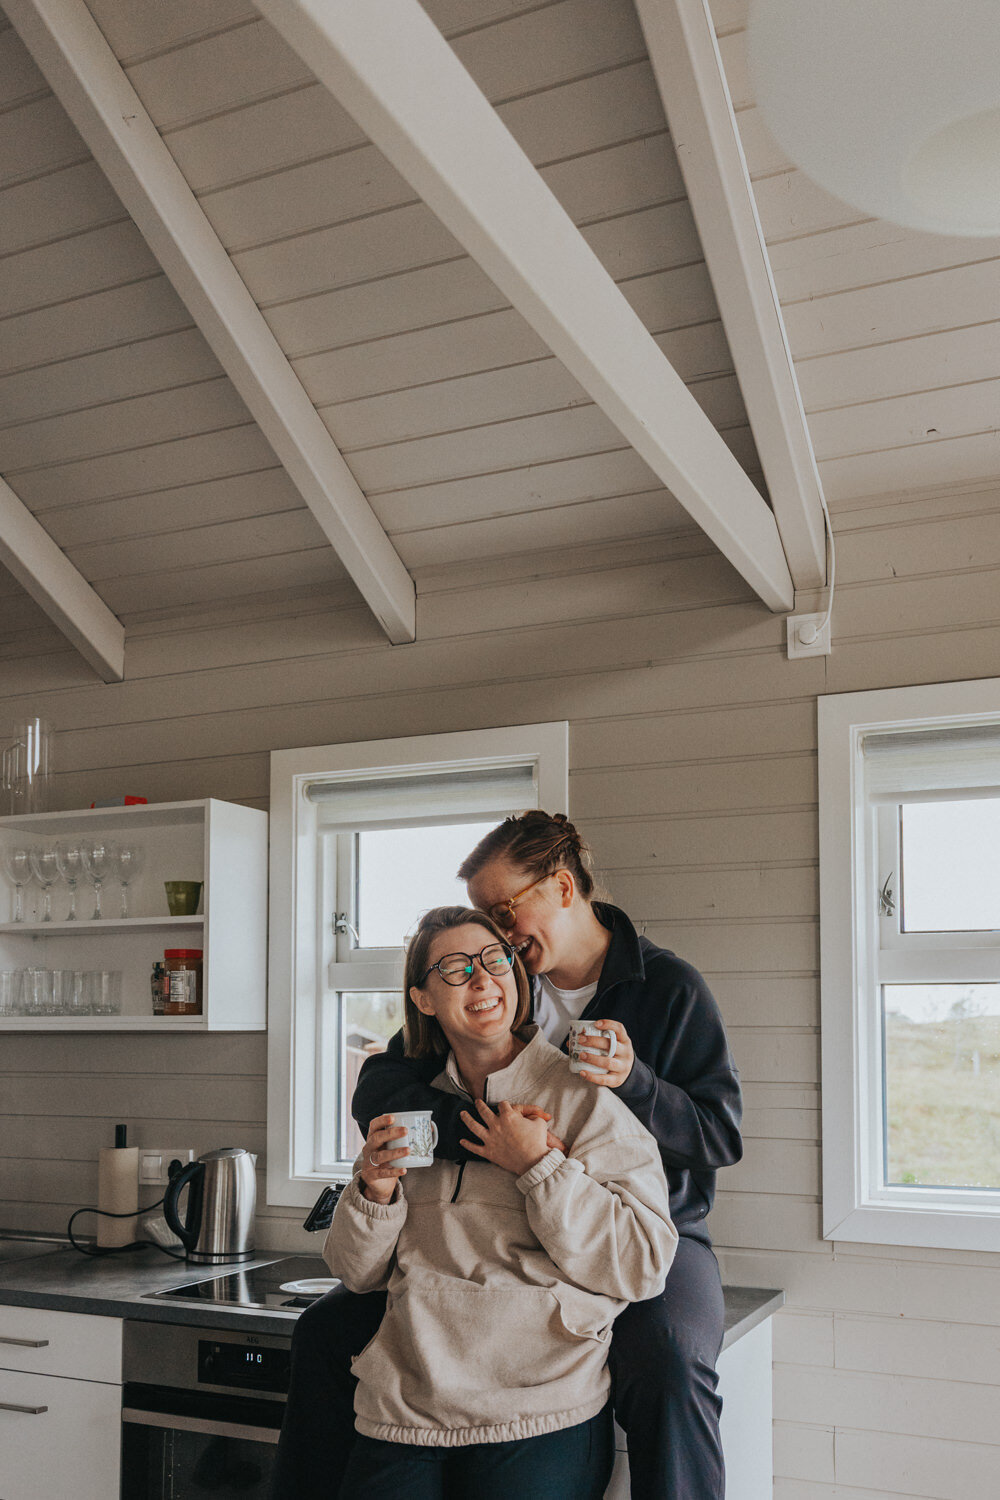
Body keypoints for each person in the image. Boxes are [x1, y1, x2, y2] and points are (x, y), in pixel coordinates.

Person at [273, 813, 742, 1500]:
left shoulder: (666, 988)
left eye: (505, 913)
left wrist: (634, 1083)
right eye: (488, 924)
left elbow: (718, 1137)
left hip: (646, 1220)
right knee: (322, 1333)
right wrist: (483, 1131)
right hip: (493, 1229)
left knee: (669, 1367)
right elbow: (383, 1081)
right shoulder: (489, 976)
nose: (500, 944)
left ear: (559, 887)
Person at [322, 905, 677, 1499]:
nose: (483, 979)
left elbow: (643, 1263)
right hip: (405, 1411)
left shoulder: (585, 1099)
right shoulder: (409, 1112)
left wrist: (542, 1167)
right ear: (424, 999)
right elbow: (355, 1274)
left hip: (537, 1410)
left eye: (495, 961)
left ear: (518, 977)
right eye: (456, 969)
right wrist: (373, 1192)